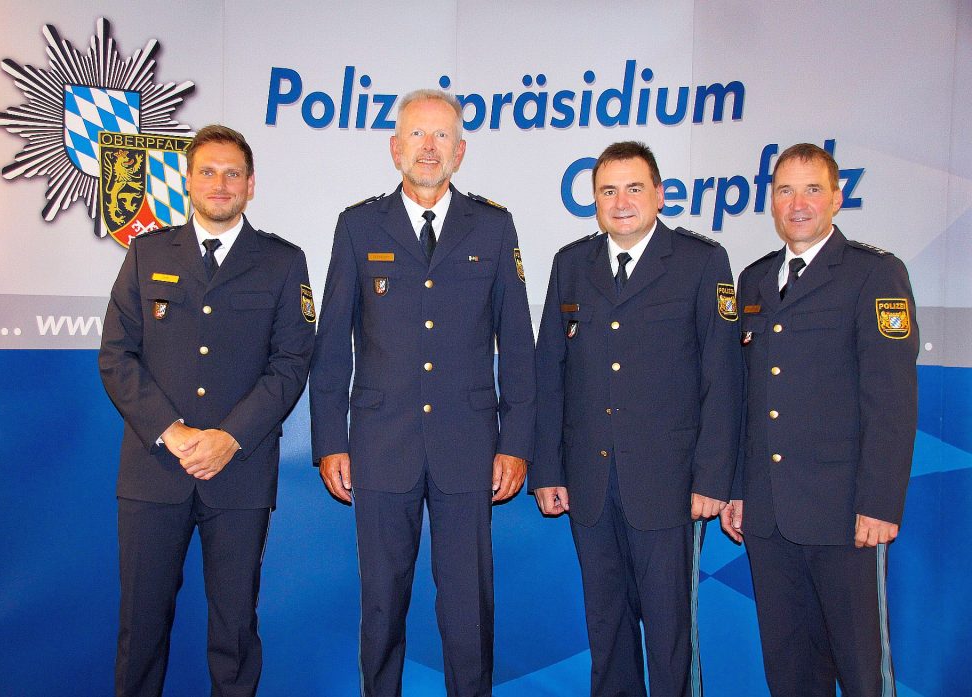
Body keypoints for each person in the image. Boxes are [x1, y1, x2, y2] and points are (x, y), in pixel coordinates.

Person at [309, 89, 535, 697]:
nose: (428, 148)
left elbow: (517, 344)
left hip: (468, 447)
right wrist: (330, 440)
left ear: (460, 152)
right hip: (382, 446)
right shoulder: (358, 226)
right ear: (395, 148)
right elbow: (332, 343)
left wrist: (515, 443)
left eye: (441, 137)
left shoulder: (494, 225)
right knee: (381, 604)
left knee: (469, 608)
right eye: (416, 135)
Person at [99, 124, 315, 697]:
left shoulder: (282, 261)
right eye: (208, 171)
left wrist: (230, 437)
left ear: (251, 186)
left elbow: (292, 362)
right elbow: (117, 356)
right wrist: (169, 432)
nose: (220, 183)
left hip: (238, 473)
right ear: (188, 180)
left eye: (233, 173)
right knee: (140, 630)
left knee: (235, 630)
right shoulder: (147, 253)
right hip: (154, 472)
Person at [531, 141, 743, 697]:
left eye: (634, 188)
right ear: (594, 201)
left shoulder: (701, 262)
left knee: (672, 631)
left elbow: (723, 378)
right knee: (607, 628)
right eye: (608, 191)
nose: (621, 201)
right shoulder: (570, 264)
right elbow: (549, 376)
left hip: (669, 486)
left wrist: (713, 479)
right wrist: (548, 470)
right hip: (590, 484)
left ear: (660, 194)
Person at [721, 143, 919, 697]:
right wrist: (737, 488)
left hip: (844, 518)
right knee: (788, 670)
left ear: (836, 197)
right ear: (772, 202)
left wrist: (878, 503)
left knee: (860, 671)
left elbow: (892, 400)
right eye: (785, 190)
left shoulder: (873, 274)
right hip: (769, 515)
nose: (798, 203)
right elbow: (745, 399)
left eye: (812, 189)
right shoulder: (754, 280)